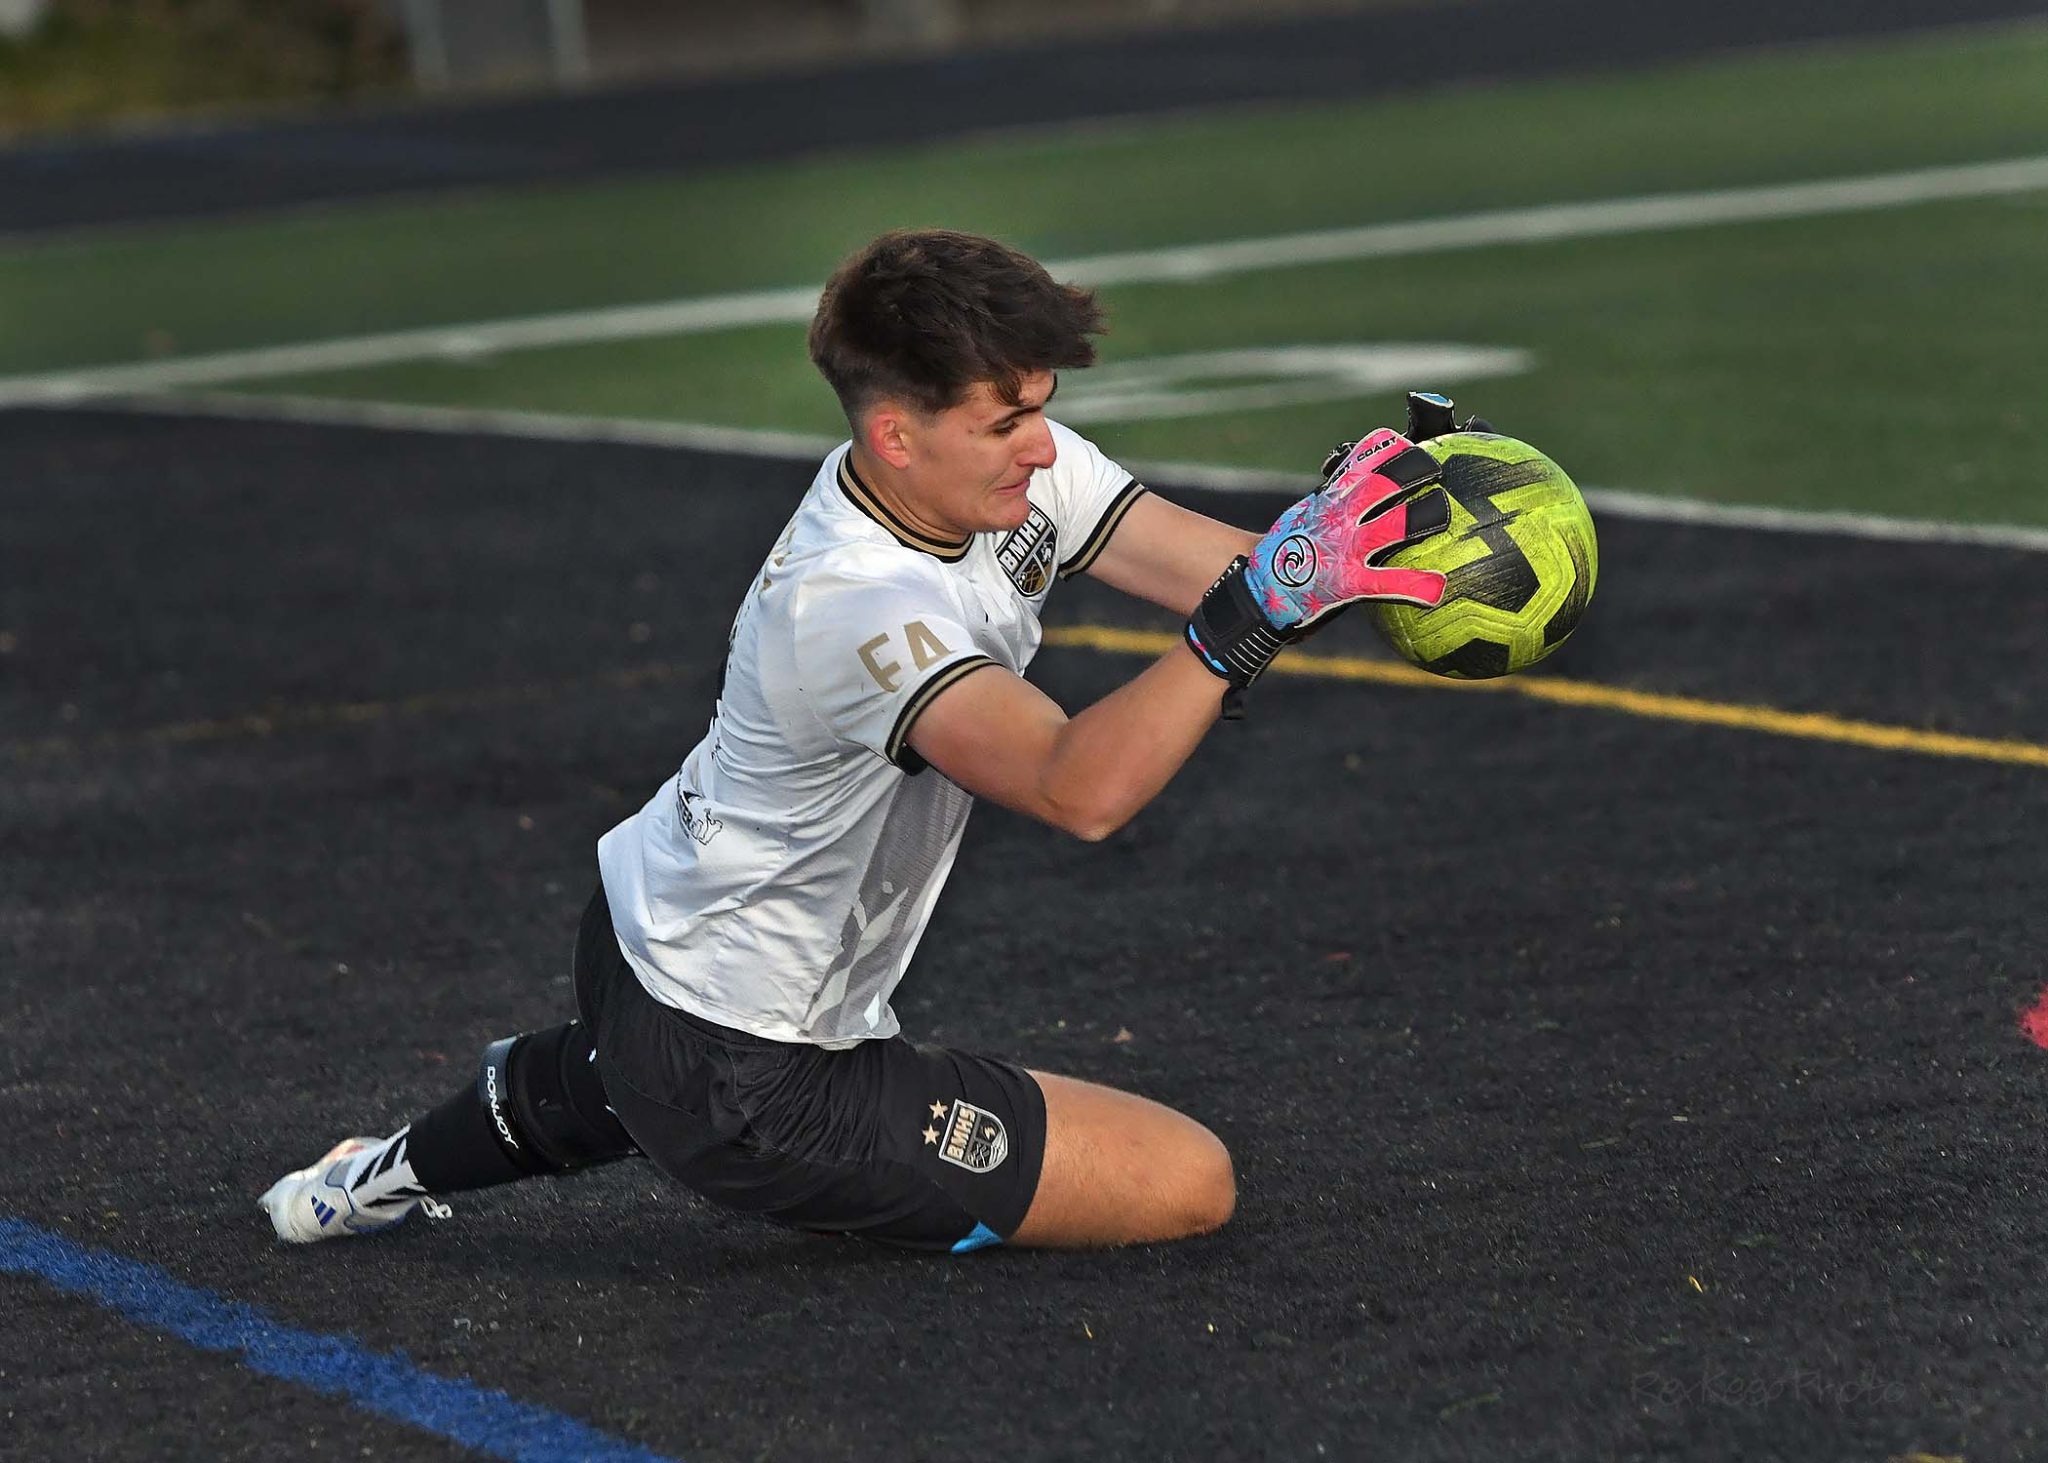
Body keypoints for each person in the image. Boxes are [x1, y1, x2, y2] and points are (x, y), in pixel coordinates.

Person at [258, 228, 1459, 1254]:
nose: (1041, 446)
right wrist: (1250, 618)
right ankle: (576, 1122)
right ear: (894, 434)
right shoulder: (851, 607)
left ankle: (373, 1175)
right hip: (758, 1077)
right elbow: (1078, 785)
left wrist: (1358, 550)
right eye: (1006, 423)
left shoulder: (996, 466)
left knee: (625, 1071)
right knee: (1188, 1180)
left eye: (1042, 408)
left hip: (645, 937)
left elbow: (1228, 572)